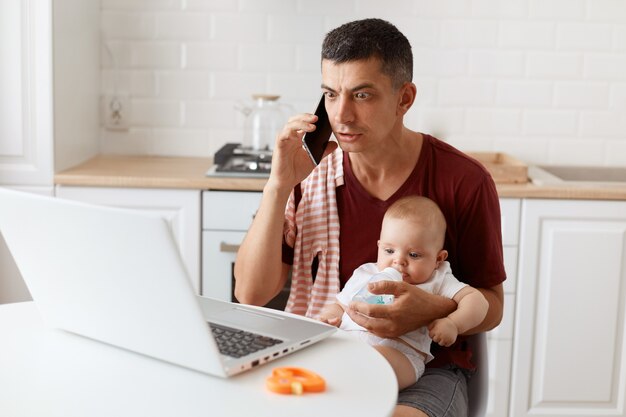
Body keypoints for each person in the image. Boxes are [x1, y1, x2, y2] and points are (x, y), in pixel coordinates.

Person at [234, 18, 505, 417]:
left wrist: (430, 310)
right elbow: (250, 295)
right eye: (330, 94)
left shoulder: (464, 181)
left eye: (361, 95)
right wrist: (277, 186)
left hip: (427, 370)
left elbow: (493, 305)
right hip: (328, 353)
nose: (341, 115)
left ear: (404, 98)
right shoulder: (308, 175)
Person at [317, 196, 489, 391]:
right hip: (349, 347)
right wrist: (329, 318)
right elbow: (340, 305)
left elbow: (477, 302)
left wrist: (454, 323)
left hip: (400, 356)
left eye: (414, 255)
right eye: (389, 250)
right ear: (379, 246)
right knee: (319, 354)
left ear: (438, 259)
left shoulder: (437, 279)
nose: (398, 261)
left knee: (375, 362)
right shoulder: (366, 273)